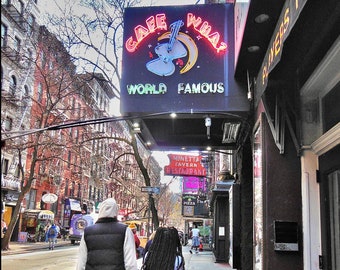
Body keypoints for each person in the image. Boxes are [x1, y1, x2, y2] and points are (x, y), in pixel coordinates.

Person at [76, 198, 137, 270]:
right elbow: (130, 264)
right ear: (115, 211)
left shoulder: (87, 232)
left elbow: (81, 263)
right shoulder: (125, 231)